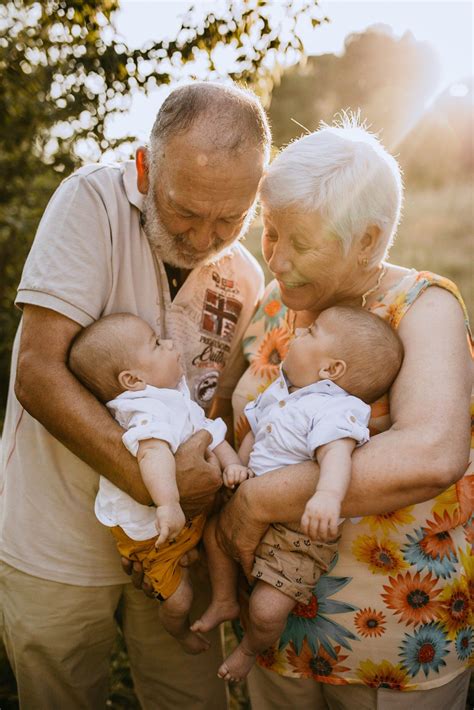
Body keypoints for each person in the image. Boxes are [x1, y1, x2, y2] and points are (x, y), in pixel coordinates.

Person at [0, 81, 270, 709]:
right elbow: (37, 372)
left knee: (190, 698)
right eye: (185, 212)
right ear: (147, 168)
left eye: (230, 219)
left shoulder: (248, 277)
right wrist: (159, 489)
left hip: (178, 547)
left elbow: (211, 406)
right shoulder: (89, 201)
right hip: (56, 538)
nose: (205, 239)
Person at [216, 116, 473, 709]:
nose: (276, 259)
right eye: (271, 231)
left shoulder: (420, 307)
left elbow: (432, 453)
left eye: (300, 242)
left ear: (368, 238)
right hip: (274, 631)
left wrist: (258, 501)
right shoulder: (276, 304)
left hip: (387, 641)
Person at [193, 305, 403, 681]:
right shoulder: (282, 393)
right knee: (214, 536)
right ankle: (224, 600)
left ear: (331, 370)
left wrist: (327, 496)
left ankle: (249, 649)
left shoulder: (335, 409)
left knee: (266, 610)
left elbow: (337, 455)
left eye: (312, 333)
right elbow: (257, 434)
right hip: (250, 506)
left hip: (295, 536)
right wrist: (239, 466)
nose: (299, 334)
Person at [69, 312, 249, 655]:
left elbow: (209, 432)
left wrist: (233, 466)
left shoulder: (172, 398)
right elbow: (153, 454)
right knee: (180, 600)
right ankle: (179, 631)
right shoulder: (144, 410)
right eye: (156, 343)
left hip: (182, 523)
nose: (169, 344)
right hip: (153, 532)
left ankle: (224, 600)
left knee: (217, 545)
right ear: (133, 379)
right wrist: (168, 504)